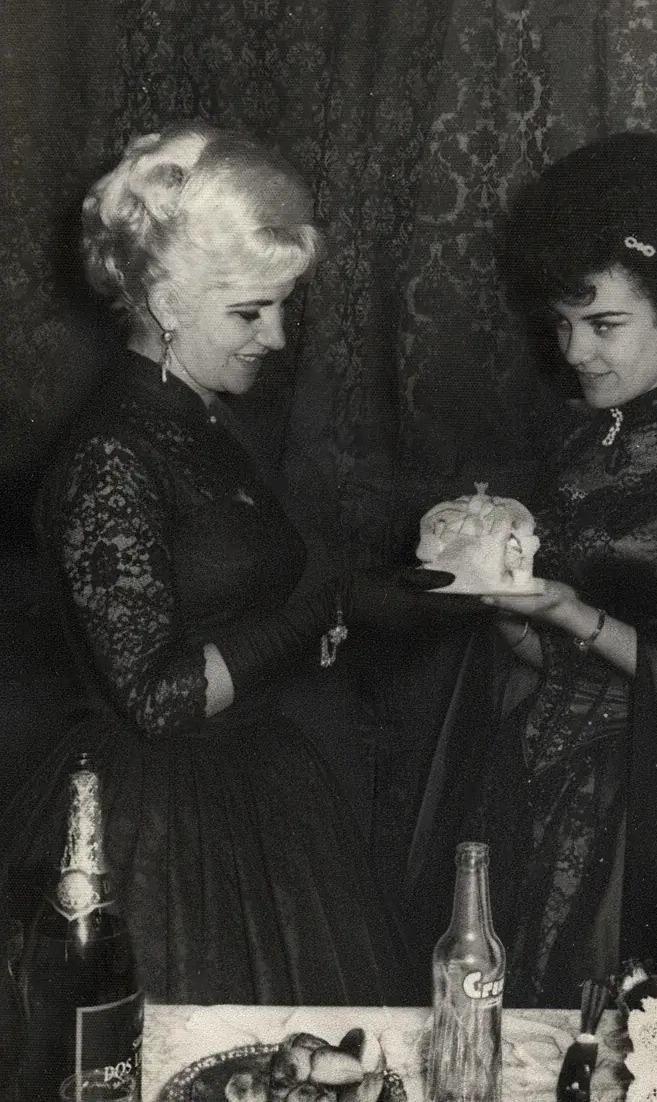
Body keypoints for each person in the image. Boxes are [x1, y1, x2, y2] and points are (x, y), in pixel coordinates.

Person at [0, 122, 458, 1005]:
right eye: (250, 311)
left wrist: (357, 604)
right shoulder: (110, 453)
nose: (278, 337)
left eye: (282, 305)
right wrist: (334, 607)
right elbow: (160, 697)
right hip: (153, 829)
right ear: (169, 303)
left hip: (257, 788)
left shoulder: (199, 417)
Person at [408, 131, 657, 1007]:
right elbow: (546, 644)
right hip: (531, 769)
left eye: (605, 324)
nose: (577, 353)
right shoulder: (579, 437)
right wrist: (507, 610)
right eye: (564, 325)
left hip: (649, 806)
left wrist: (571, 614)